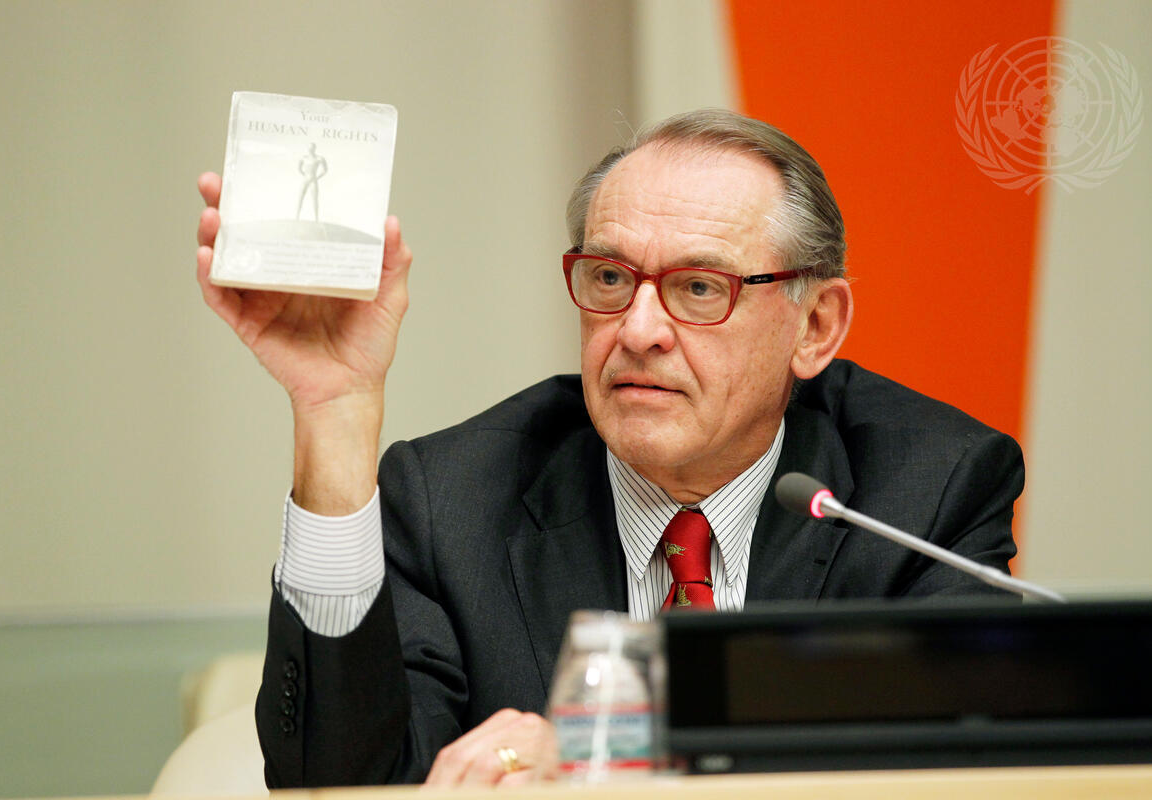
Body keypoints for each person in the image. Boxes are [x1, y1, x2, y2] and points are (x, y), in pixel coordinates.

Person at [195, 109, 1021, 789]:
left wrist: (615, 754)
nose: (639, 330)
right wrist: (335, 412)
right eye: (611, 279)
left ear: (815, 326)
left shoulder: (924, 491)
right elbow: (340, 783)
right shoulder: (453, 500)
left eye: (700, 287)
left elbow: (965, 762)